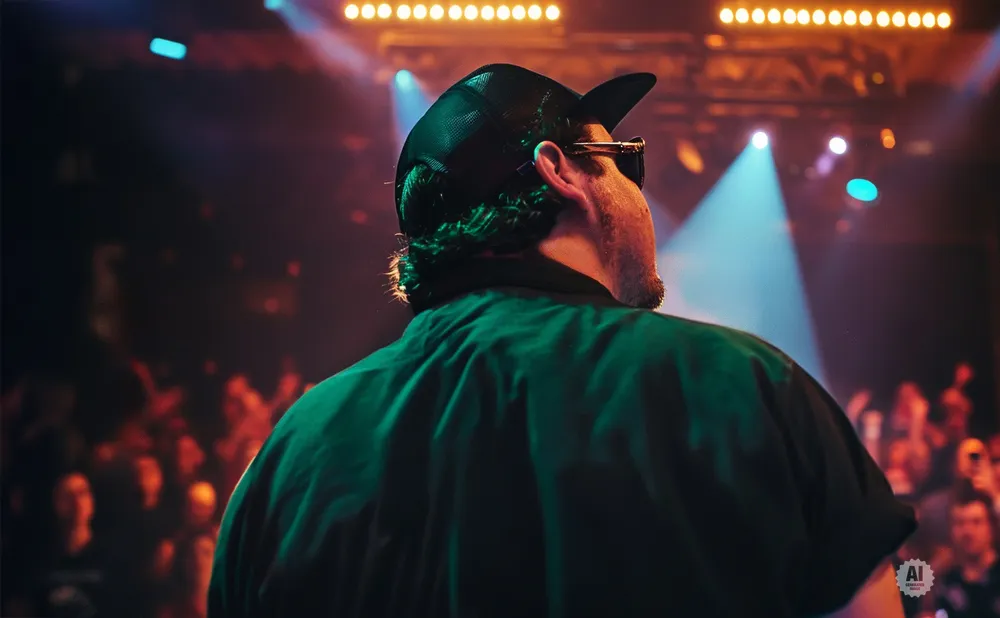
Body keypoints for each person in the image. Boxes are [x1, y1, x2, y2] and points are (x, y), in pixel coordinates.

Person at [209, 64, 916, 618]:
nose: (640, 194)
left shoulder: (292, 451)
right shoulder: (743, 385)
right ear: (561, 171)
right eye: (624, 161)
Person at [934, 484, 1000, 618]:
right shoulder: (944, 580)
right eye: (960, 523)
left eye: (976, 522)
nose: (968, 532)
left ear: (991, 528)